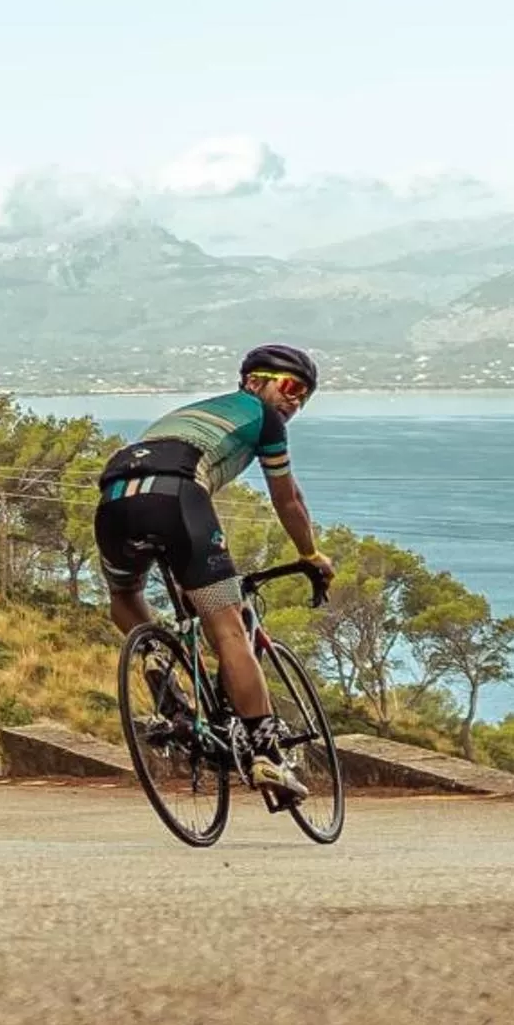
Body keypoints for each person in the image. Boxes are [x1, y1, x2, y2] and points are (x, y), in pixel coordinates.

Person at [94, 343, 335, 802]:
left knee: (124, 599)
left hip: (114, 498)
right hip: (176, 498)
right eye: (290, 387)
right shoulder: (263, 419)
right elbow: (288, 500)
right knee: (227, 630)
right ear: (253, 383)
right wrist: (310, 555)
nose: (294, 402)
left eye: (304, 397)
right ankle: (267, 755)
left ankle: (162, 674)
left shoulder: (188, 414)